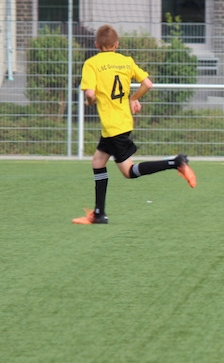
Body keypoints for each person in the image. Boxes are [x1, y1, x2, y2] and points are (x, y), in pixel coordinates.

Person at [72, 24, 196, 225]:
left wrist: (90, 101)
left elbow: (90, 94)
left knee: (129, 171)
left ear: (96, 45)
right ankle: (99, 214)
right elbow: (147, 84)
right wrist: (133, 98)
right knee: (98, 161)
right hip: (122, 122)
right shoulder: (126, 61)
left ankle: (175, 162)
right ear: (116, 44)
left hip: (113, 126)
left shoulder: (91, 64)